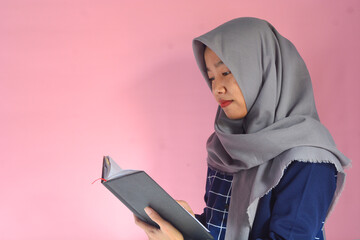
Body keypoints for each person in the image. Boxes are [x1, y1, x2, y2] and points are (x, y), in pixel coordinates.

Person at [134, 17, 351, 240]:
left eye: (226, 73)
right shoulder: (225, 147)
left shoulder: (309, 162)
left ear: (264, 70)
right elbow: (222, 229)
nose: (217, 88)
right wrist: (185, 225)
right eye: (210, 77)